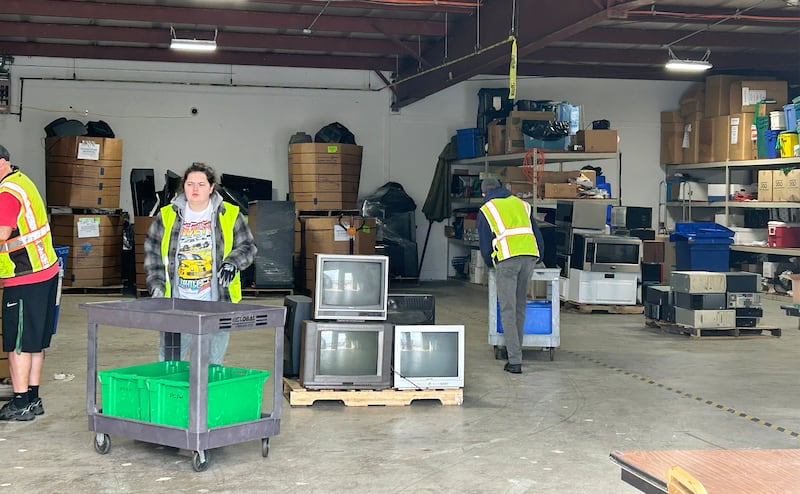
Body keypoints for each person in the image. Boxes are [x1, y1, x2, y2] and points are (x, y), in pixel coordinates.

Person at [144, 162, 256, 365]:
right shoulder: (167, 215)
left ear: (211, 187)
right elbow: (152, 253)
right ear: (184, 187)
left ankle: (207, 388)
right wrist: (156, 286)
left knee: (212, 365)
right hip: (176, 304)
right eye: (190, 184)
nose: (195, 189)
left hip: (218, 303)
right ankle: (173, 388)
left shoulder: (230, 214)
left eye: (201, 184)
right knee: (170, 363)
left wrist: (232, 262)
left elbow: (248, 246)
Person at [0, 145, 60, 421]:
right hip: (45, 271)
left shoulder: (6, 193)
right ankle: (33, 399)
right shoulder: (21, 181)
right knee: (34, 341)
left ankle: (20, 401)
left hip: (24, 276)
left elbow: (2, 233)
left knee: (18, 344)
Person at [477, 177, 544, 374]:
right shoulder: (522, 204)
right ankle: (515, 351)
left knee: (507, 309)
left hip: (507, 259)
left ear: (484, 193)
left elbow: (485, 244)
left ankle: (514, 360)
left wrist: (491, 264)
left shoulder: (487, 209)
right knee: (519, 307)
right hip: (529, 256)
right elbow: (537, 235)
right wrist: (538, 257)